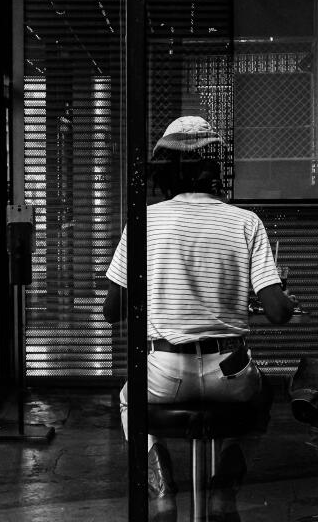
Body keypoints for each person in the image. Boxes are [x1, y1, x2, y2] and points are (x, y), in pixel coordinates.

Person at [103, 116, 296, 497]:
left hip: (164, 374)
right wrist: (285, 300)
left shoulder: (143, 222)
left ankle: (160, 489)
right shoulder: (245, 222)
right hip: (230, 374)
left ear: (162, 169)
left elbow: (112, 312)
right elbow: (277, 311)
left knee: (129, 400)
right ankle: (225, 488)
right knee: (263, 399)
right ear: (215, 167)